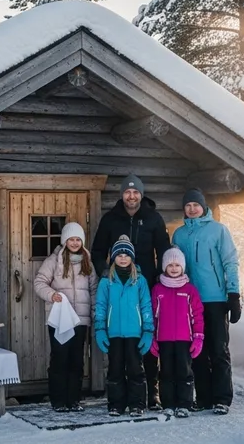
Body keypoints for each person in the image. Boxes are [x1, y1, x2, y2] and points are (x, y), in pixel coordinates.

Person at [91, 175, 170, 410]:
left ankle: (151, 395)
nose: (131, 196)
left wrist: (158, 278)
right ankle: (120, 398)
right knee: (120, 354)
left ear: (141, 195)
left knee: (147, 344)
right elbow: (97, 250)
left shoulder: (154, 218)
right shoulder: (110, 220)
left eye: (135, 192)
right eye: (127, 192)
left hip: (147, 286)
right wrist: (105, 272)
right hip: (118, 283)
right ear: (122, 194)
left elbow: (164, 250)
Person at [172, 188, 240, 415]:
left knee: (218, 349)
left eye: (196, 205)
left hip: (216, 298)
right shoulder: (179, 235)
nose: (192, 209)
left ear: (204, 207)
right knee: (197, 351)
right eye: (188, 205)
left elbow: (230, 262)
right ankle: (204, 397)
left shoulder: (218, 230)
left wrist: (234, 293)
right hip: (189, 300)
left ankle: (222, 398)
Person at [34, 221, 98, 412]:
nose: (75, 243)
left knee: (77, 360)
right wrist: (51, 295)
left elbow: (93, 289)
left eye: (78, 239)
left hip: (81, 319)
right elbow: (39, 282)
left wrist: (93, 312)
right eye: (71, 239)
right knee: (60, 358)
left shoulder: (88, 261)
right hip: (60, 318)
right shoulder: (54, 261)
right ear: (65, 241)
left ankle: (74, 400)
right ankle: (58, 400)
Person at [94, 235, 154, 417]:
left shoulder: (140, 281)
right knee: (115, 369)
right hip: (114, 333)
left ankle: (137, 404)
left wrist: (148, 331)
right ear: (113, 258)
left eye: (126, 255)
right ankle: (116, 404)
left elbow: (146, 305)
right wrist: (100, 329)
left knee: (136, 369)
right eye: (119, 254)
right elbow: (101, 306)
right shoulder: (106, 281)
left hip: (135, 333)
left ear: (132, 258)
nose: (122, 258)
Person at [150, 247, 204, 419]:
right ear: (164, 267)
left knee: (184, 371)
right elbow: (152, 315)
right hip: (163, 339)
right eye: (170, 265)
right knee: (166, 372)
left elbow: (197, 315)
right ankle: (168, 404)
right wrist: (151, 337)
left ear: (183, 267)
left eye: (177, 265)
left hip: (184, 340)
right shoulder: (158, 289)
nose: (174, 268)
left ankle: (184, 404)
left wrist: (198, 337)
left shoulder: (190, 290)